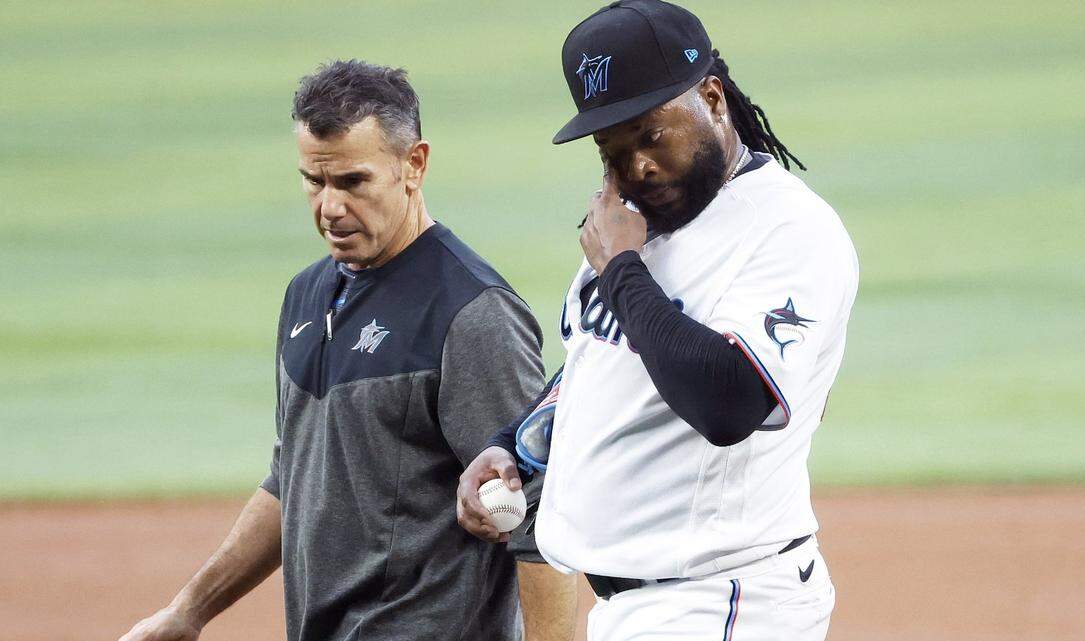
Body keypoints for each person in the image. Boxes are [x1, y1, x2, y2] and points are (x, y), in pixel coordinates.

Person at [120, 60, 577, 641]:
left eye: (352, 182)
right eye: (315, 181)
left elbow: (539, 512)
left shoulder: (470, 313)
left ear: (414, 165)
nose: (329, 207)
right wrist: (190, 610)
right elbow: (295, 476)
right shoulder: (308, 293)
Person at [457, 2, 858, 639]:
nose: (636, 167)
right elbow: (603, 364)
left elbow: (729, 400)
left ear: (712, 98)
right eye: (610, 149)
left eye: (650, 135)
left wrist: (620, 269)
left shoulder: (789, 230)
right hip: (642, 608)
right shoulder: (637, 227)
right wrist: (517, 444)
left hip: (723, 600)